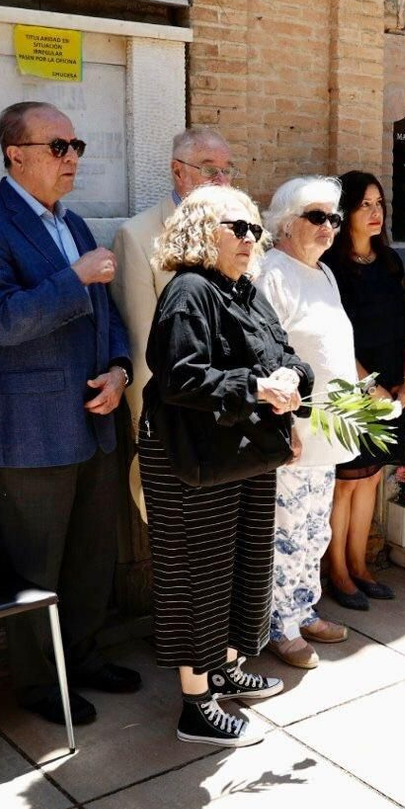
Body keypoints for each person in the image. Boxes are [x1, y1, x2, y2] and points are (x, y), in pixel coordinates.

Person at [0, 101, 139, 727]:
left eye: (76, 145)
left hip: (92, 416)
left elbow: (104, 311)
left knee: (90, 557)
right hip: (25, 429)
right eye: (59, 147)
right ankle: (38, 686)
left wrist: (118, 368)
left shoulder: (74, 223)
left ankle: (81, 658)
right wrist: (74, 278)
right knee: (35, 566)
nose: (72, 158)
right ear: (17, 156)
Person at [140, 185, 303, 747]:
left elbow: (283, 352)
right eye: (238, 227)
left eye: (254, 228)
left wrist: (289, 380)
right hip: (191, 455)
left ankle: (226, 668)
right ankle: (196, 703)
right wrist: (257, 386)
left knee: (246, 565)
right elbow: (180, 378)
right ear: (201, 231)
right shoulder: (188, 291)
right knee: (198, 574)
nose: (250, 239)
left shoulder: (245, 289)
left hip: (244, 449)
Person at [257, 176, 360, 664]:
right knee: (287, 530)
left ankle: (303, 609)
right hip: (295, 429)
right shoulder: (272, 272)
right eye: (316, 217)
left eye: (334, 218)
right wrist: (285, 427)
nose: (329, 227)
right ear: (285, 222)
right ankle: (279, 626)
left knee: (315, 528)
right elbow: (265, 356)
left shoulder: (323, 272)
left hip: (329, 426)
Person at [111, 127, 238, 517]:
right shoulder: (138, 236)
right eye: (208, 168)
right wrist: (148, 432)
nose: (221, 179)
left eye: (228, 170)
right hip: (177, 424)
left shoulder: (242, 232)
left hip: (235, 419)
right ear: (177, 172)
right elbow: (141, 340)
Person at [326, 171, 405, 603]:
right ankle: (337, 572)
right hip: (351, 387)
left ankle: (360, 564)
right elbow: (333, 335)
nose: (376, 213)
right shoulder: (332, 267)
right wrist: (368, 385)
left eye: (380, 204)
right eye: (366, 205)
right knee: (345, 482)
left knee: (372, 479)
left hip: (392, 390)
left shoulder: (390, 261)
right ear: (346, 212)